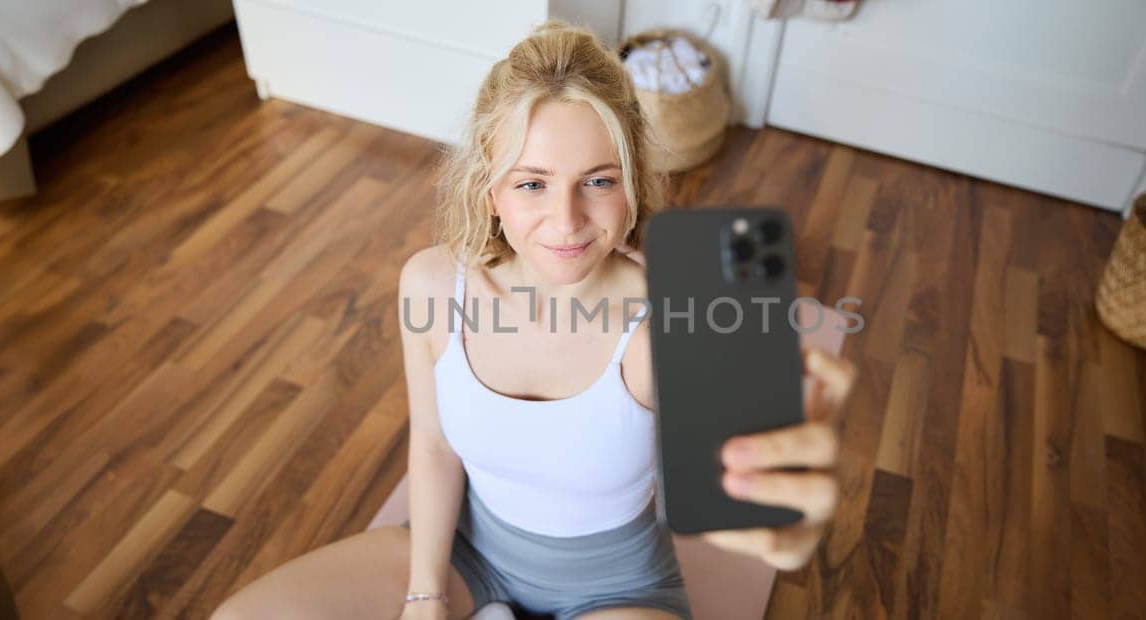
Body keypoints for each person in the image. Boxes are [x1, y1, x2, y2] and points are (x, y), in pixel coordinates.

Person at [213, 21, 855, 620]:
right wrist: (425, 594)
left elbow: (748, 493)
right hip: (466, 553)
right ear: (489, 189)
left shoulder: (669, 322)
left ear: (631, 183)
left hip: (617, 584)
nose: (568, 220)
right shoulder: (433, 285)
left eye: (598, 180)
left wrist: (789, 531)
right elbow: (434, 447)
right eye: (531, 184)